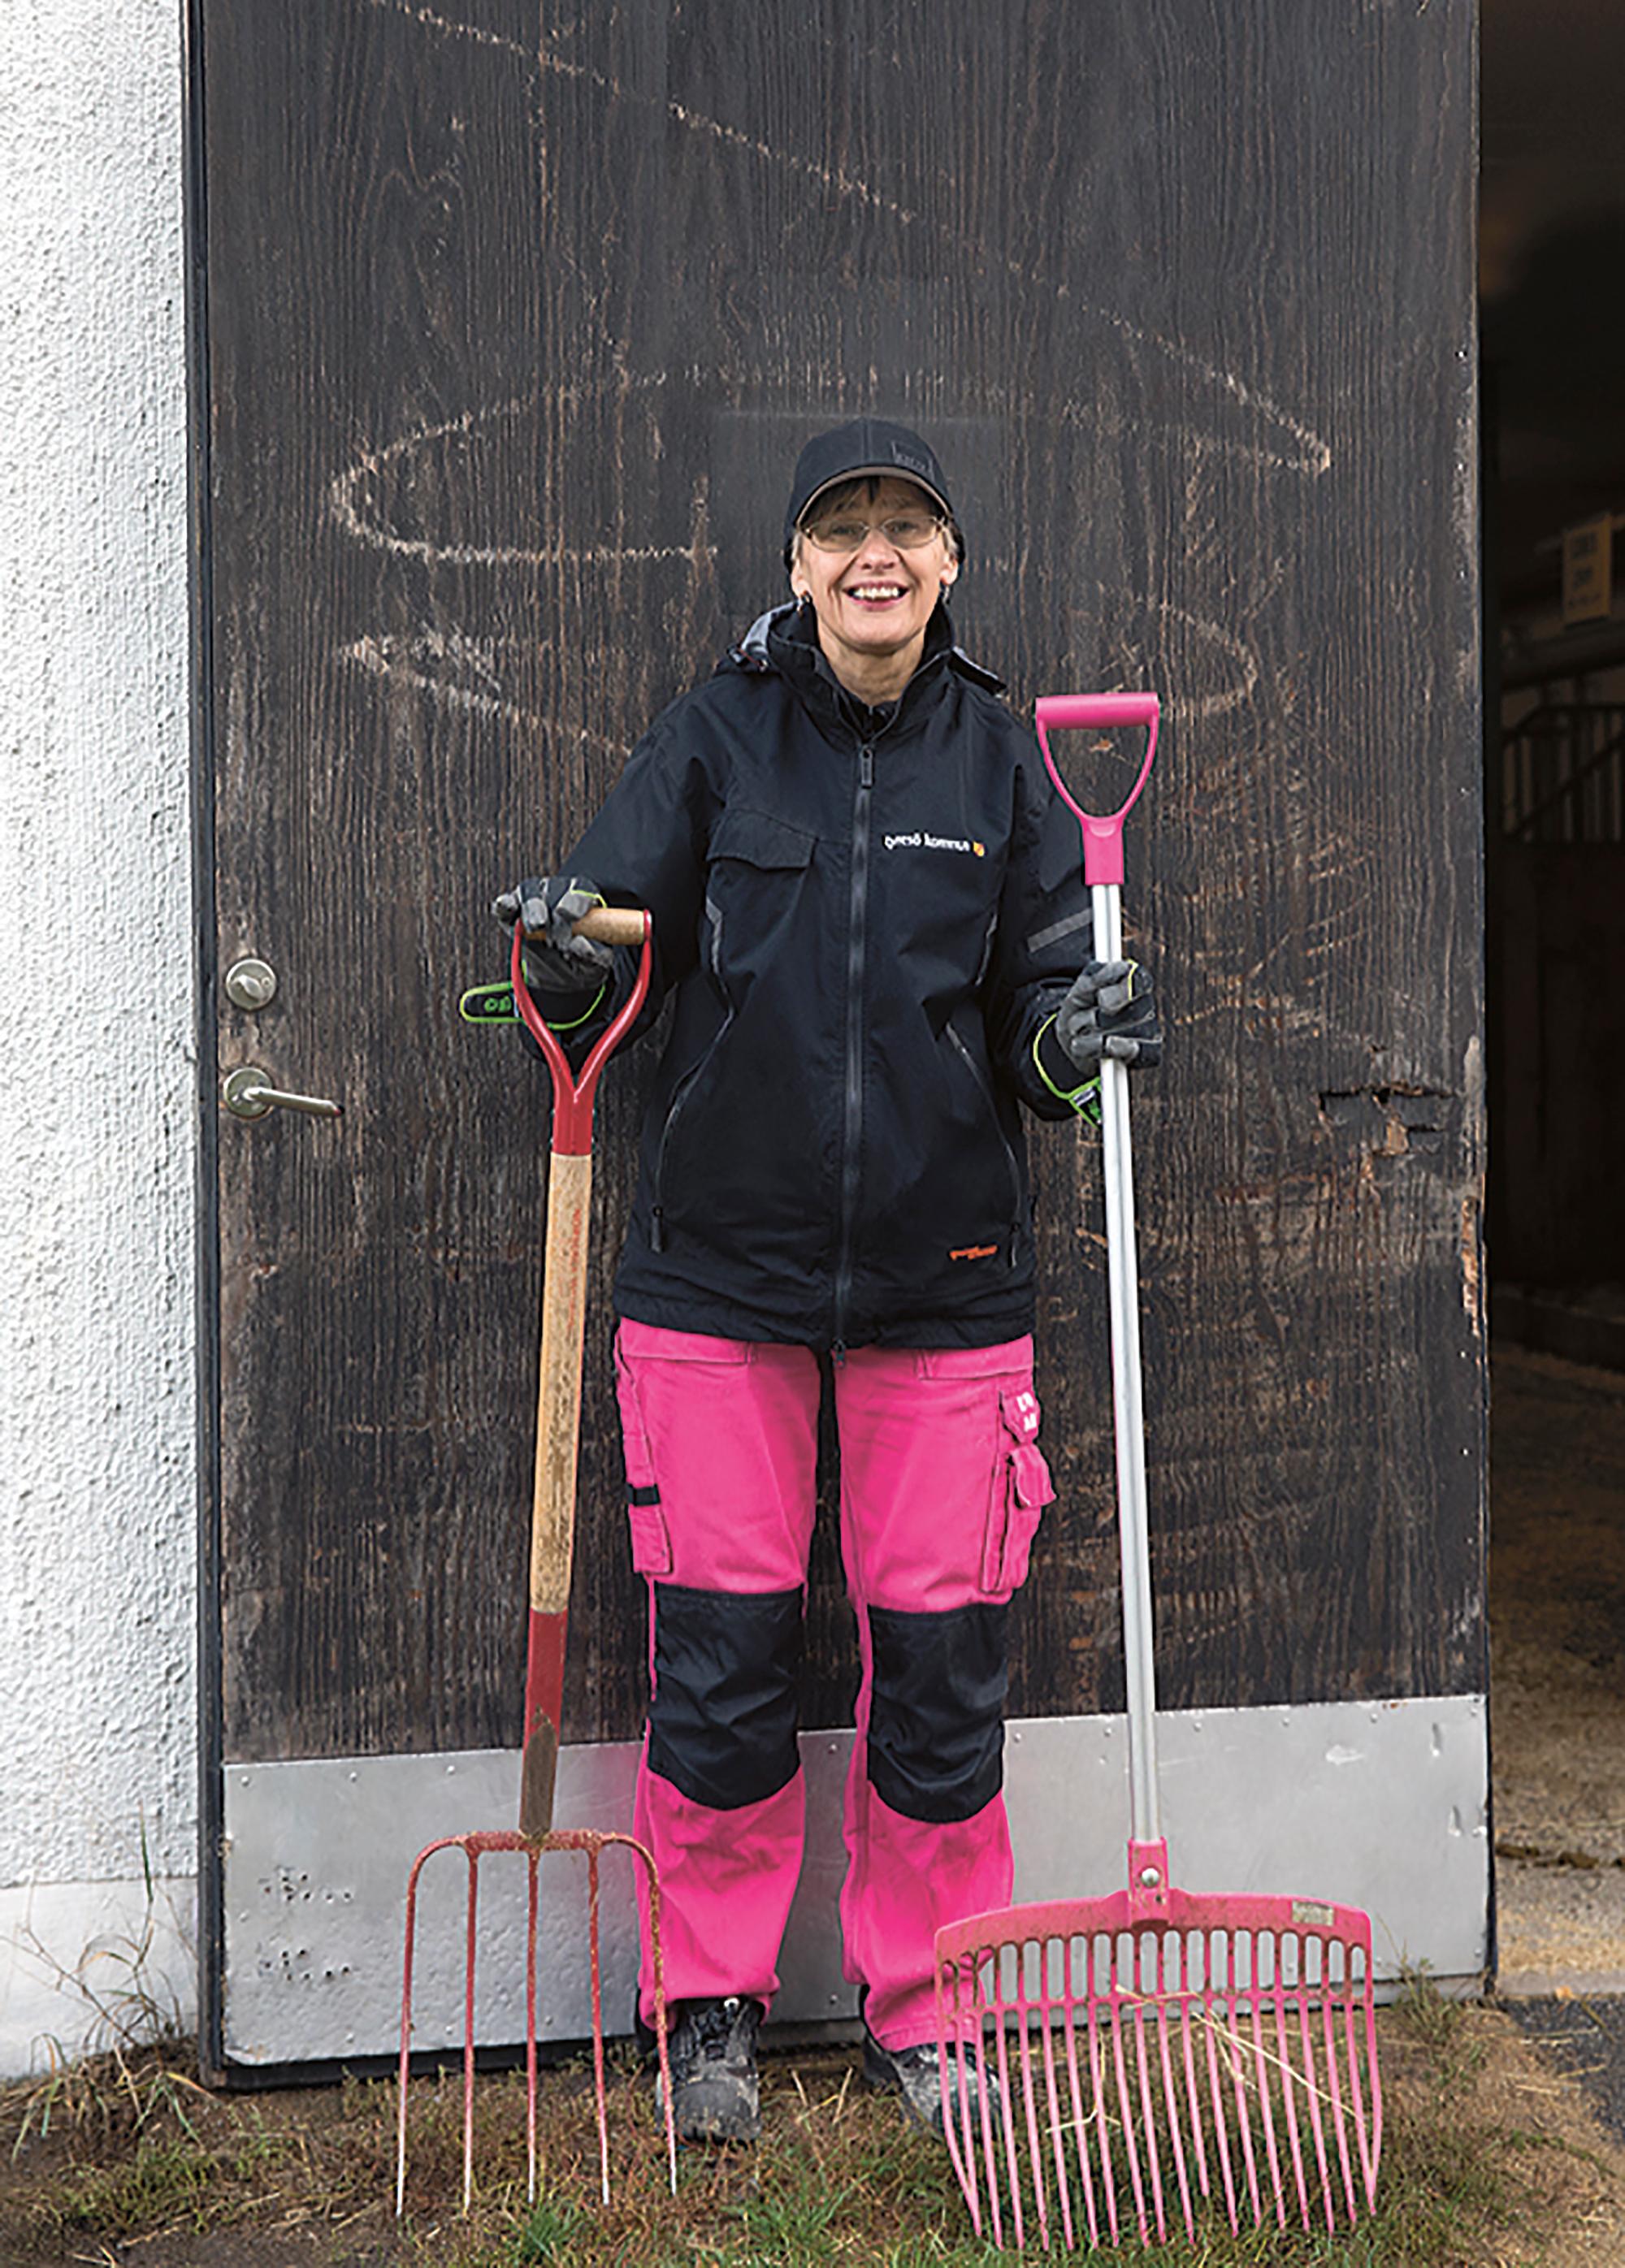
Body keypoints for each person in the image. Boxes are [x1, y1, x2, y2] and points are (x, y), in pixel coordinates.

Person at [494, 418, 1159, 2143]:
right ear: (795, 566)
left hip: (944, 1285)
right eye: (841, 527)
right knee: (716, 1656)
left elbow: (1034, 1027)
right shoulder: (717, 737)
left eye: (907, 526)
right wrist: (559, 945)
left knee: (940, 1668)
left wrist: (1072, 1041)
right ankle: (704, 2001)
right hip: (720, 1280)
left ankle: (926, 2005)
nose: (875, 553)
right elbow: (597, 954)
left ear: (949, 564)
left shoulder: (1004, 762)